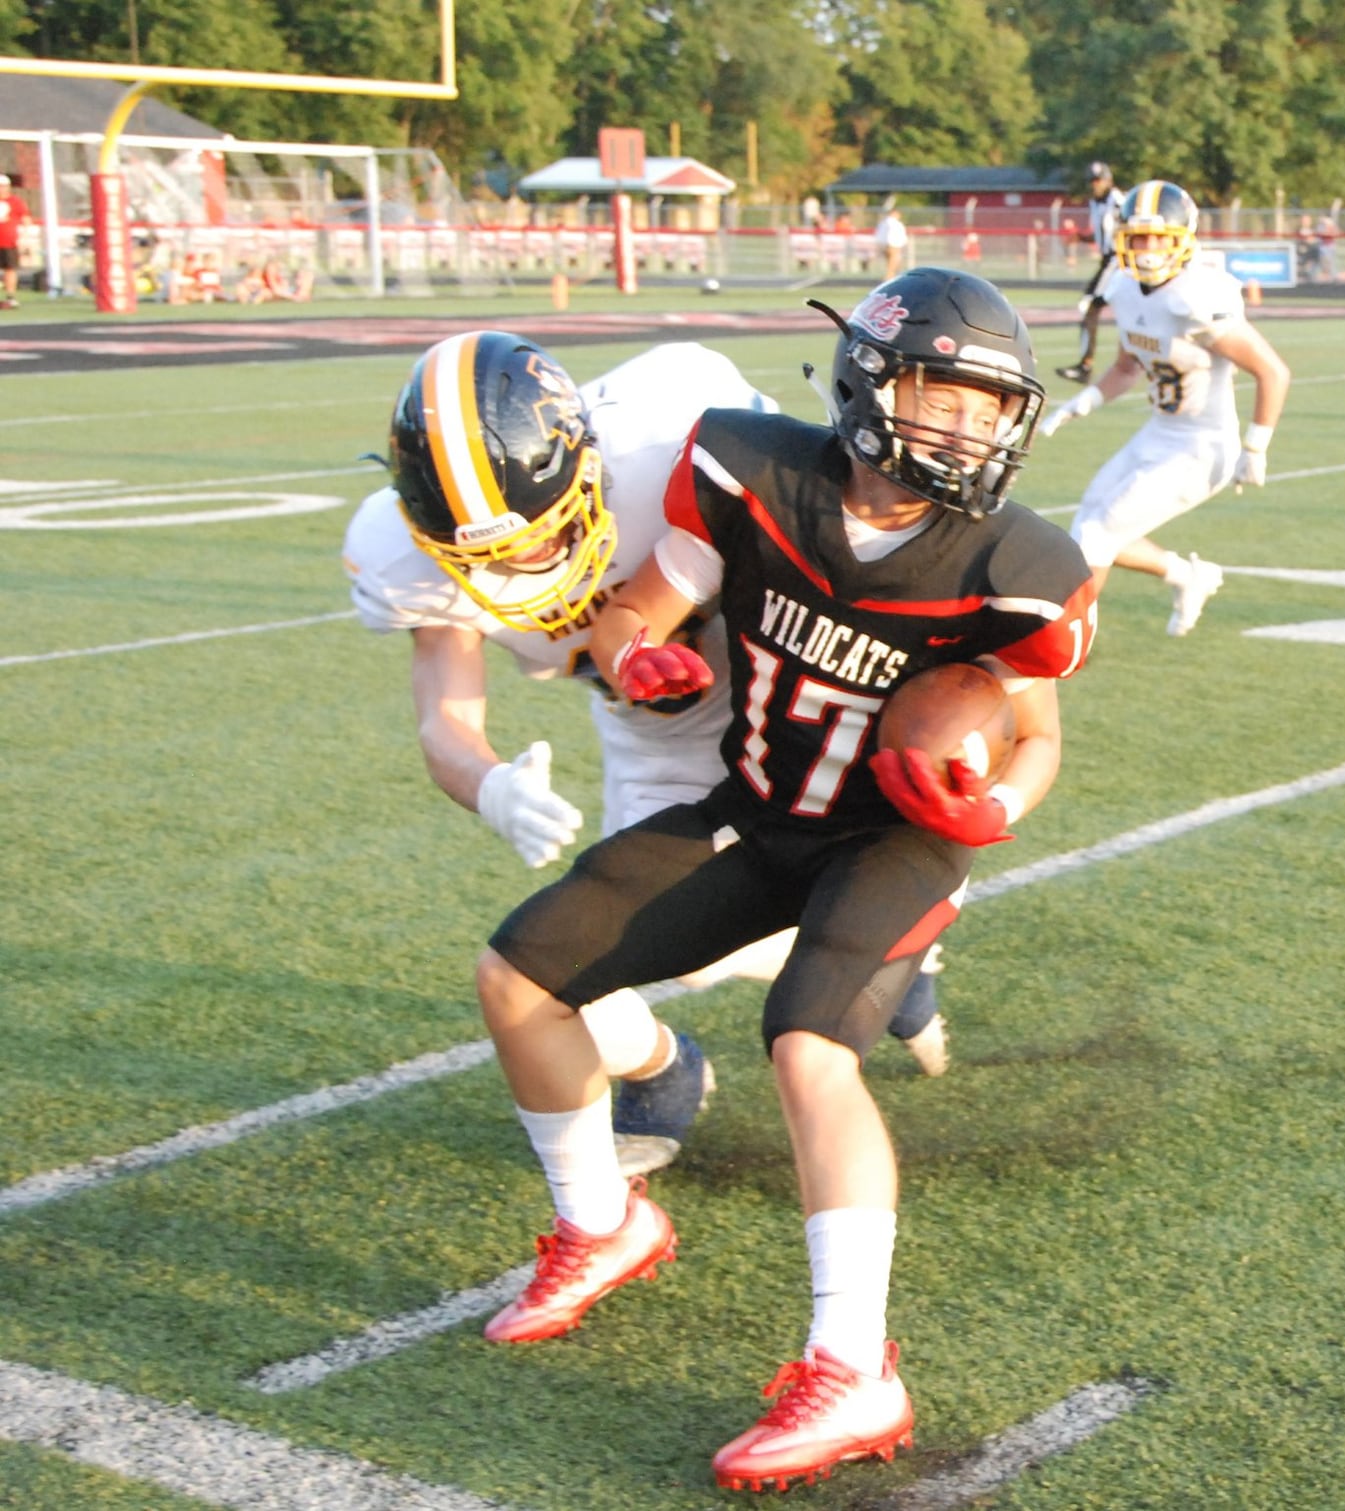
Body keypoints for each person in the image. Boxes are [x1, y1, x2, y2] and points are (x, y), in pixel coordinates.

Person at [470, 268, 1098, 1491]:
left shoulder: (1015, 561)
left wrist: (993, 804)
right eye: (944, 395)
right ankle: (603, 1224)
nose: (969, 428)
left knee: (806, 1045)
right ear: (871, 380)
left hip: (897, 839)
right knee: (519, 977)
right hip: (759, 815)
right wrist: (637, 653)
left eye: (989, 408)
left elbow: (1040, 737)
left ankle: (853, 1365)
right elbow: (633, 609)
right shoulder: (753, 473)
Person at [342, 336, 951, 1169]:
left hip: (773, 666)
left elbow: (824, 517)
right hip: (651, 720)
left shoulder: (670, 425)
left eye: (542, 532)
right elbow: (443, 721)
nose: (526, 566)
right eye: (487, 556)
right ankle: (672, 1065)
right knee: (594, 952)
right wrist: (490, 787)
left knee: (826, 856)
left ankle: (880, 947)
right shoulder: (403, 552)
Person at [1040, 180, 1292, 637]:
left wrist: (1255, 449)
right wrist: (1084, 401)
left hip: (1203, 447)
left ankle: (1063, 639)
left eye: (1161, 238)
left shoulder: (1195, 297)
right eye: (1139, 237)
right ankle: (1188, 576)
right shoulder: (1125, 287)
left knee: (1096, 534)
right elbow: (1126, 367)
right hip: (1159, 433)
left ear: (1184, 240)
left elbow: (1272, 371)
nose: (1149, 249)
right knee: (1088, 524)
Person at [1056, 160, 1125, 384]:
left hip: (1118, 261)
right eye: (1092, 181)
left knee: (1090, 306)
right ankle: (1086, 365)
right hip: (1108, 261)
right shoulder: (1095, 204)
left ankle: (1086, 366)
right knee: (1096, 309)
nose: (1095, 185)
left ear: (1108, 180)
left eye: (1099, 180)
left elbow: (1129, 225)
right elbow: (1100, 235)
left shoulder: (1118, 201)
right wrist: (1081, 237)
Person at [0, 172, 32, 309]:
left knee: (10, 269)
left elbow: (26, 219)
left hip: (9, 242)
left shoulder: (15, 202)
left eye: (4, 186)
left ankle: (10, 297)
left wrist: (25, 238)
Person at [873, 202, 908, 280]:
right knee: (893, 264)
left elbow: (878, 235)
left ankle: (892, 277)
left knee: (891, 263)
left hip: (885, 245)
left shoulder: (883, 222)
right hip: (893, 245)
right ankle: (889, 278)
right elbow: (897, 236)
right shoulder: (895, 223)